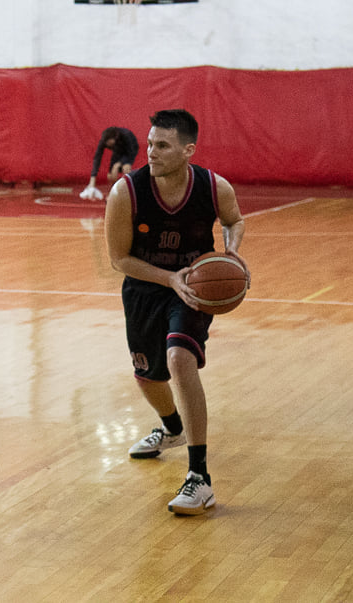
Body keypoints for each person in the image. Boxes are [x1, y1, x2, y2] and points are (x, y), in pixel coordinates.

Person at [103, 109, 246, 515]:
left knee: (180, 359)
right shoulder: (125, 193)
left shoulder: (214, 187)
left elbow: (235, 221)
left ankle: (200, 478)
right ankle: (172, 428)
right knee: (148, 376)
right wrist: (169, 279)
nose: (150, 152)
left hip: (195, 288)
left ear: (188, 150)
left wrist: (231, 251)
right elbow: (119, 259)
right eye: (149, 144)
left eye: (162, 146)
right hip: (147, 288)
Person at [81, 126, 139, 200]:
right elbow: (97, 158)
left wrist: (120, 163)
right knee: (111, 174)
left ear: (115, 138)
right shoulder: (104, 140)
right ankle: (113, 193)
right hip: (117, 152)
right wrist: (92, 180)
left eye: (109, 143)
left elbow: (132, 153)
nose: (107, 145)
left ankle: (127, 193)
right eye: (106, 143)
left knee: (126, 168)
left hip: (129, 152)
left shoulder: (126, 135)